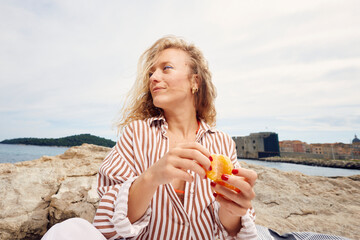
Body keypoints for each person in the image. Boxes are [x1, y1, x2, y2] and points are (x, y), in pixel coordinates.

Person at [42, 35, 258, 240]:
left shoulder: (222, 142)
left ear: (195, 81)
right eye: (151, 73)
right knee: (68, 230)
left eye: (166, 68)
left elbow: (228, 228)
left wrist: (234, 208)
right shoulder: (136, 134)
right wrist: (151, 177)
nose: (154, 77)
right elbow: (107, 222)